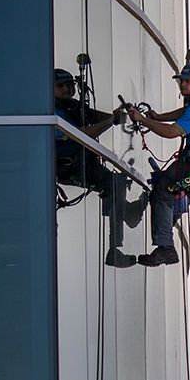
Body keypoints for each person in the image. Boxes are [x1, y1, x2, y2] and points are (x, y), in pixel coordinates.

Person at [126, 63, 190, 265]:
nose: (182, 85)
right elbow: (184, 113)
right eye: (181, 81)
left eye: (187, 82)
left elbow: (172, 132)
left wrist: (142, 120)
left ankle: (166, 248)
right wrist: (158, 117)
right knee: (166, 188)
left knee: (162, 191)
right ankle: (163, 224)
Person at [54, 68, 147, 266]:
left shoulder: (72, 106)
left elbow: (95, 116)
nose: (66, 89)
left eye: (69, 85)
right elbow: (81, 133)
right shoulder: (52, 112)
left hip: (81, 162)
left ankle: (128, 214)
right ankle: (115, 247)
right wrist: (111, 120)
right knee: (113, 184)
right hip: (68, 167)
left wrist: (123, 115)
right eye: (60, 86)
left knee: (116, 184)